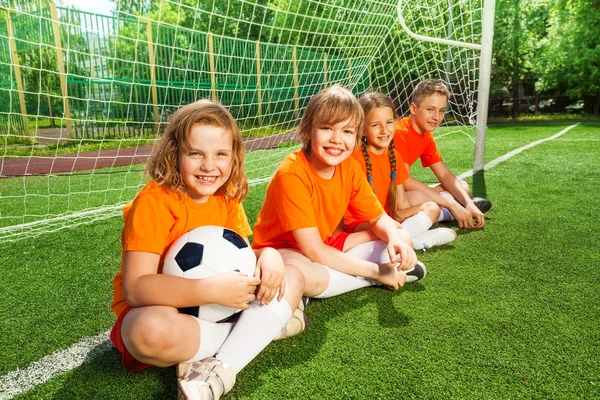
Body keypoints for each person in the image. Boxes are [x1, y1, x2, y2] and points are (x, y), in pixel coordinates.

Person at [109, 100, 305, 400]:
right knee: (144, 332)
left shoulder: (226, 196)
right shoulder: (154, 202)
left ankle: (218, 367)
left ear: (234, 157)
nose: (209, 166)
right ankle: (259, 332)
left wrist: (269, 256)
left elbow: (243, 257)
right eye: (196, 153)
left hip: (224, 309)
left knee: (292, 275)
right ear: (174, 154)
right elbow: (136, 289)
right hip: (169, 315)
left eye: (221, 154)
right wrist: (209, 290)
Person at [252, 85, 426, 304]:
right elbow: (314, 251)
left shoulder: (349, 167)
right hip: (285, 250)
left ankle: (322, 286)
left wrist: (394, 240)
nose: (336, 139)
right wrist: (377, 272)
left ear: (356, 136)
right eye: (327, 128)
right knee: (304, 272)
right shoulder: (292, 174)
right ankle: (368, 279)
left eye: (347, 131)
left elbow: (379, 217)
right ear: (309, 129)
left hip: (327, 243)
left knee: (401, 234)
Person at [344, 92, 457, 250]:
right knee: (387, 227)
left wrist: (406, 215)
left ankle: (405, 240)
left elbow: (401, 206)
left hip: (389, 219)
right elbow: (361, 214)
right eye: (376, 125)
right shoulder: (353, 159)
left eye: (389, 122)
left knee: (432, 208)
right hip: (362, 225)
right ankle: (412, 241)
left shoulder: (393, 155)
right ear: (362, 129)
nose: (384, 130)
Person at [394, 79, 492, 229]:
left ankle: (449, 212)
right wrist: (451, 203)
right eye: (430, 109)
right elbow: (405, 181)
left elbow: (444, 175)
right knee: (424, 198)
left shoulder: (425, 135)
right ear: (413, 108)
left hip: (402, 191)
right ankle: (445, 213)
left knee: (462, 187)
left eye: (441, 110)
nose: (436, 117)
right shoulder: (399, 133)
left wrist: (468, 202)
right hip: (389, 195)